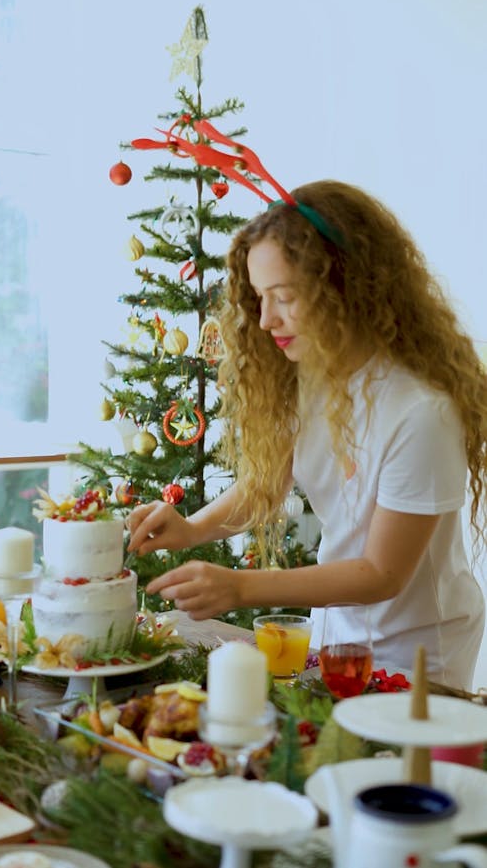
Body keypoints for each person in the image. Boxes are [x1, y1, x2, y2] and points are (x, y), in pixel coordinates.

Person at [127, 179, 487, 688]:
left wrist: (240, 586)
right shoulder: (312, 382)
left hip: (421, 655)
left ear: (345, 285)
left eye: (284, 296)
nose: (267, 319)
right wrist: (191, 528)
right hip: (335, 640)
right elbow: (265, 489)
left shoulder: (422, 412)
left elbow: (384, 573)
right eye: (259, 297)